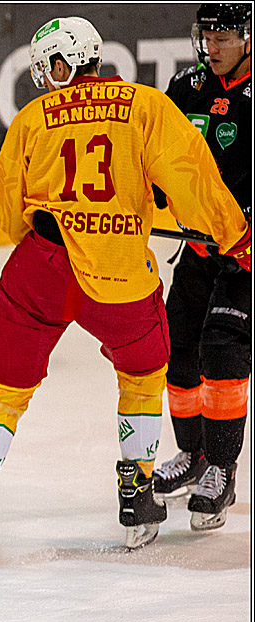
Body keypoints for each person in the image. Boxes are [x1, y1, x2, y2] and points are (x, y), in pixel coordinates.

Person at [0, 16, 250, 559]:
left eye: (47, 66)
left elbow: (5, 211)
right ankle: (136, 490)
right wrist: (235, 235)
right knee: (144, 372)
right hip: (117, 269)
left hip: (41, 265)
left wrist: (45, 237)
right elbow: (190, 176)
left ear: (64, 64)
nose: (43, 77)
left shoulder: (34, 118)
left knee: (4, 388)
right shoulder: (146, 105)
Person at [150, 4, 251, 532]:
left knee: (222, 348)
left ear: (249, 35)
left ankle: (223, 468)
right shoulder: (184, 86)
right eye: (206, 34)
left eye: (223, 35)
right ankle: (193, 456)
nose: (211, 45)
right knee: (177, 347)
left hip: (247, 252)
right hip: (200, 244)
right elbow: (156, 152)